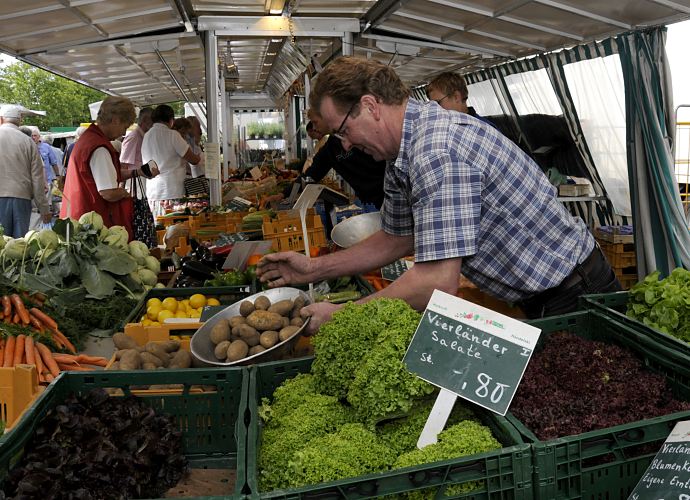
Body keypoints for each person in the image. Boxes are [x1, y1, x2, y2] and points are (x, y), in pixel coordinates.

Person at [257, 56, 621, 333]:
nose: (346, 145)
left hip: (575, 293)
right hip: (541, 294)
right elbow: (397, 237)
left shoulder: (435, 152)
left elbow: (436, 284)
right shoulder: (402, 154)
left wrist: (342, 314)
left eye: (343, 131)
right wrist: (314, 268)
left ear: (369, 106)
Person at [60, 96, 154, 239]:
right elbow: (108, 192)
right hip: (90, 226)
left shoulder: (88, 140)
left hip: (77, 216)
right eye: (124, 127)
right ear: (115, 120)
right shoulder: (99, 148)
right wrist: (124, 193)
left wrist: (137, 172)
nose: (123, 133)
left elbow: (108, 175)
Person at [302, 110, 387, 209]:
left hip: (389, 195)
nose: (314, 128)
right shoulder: (330, 149)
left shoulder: (359, 131)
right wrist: (285, 193)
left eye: (315, 122)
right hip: (368, 203)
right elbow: (312, 173)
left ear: (325, 116)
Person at [0, 105, 52, 237]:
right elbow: (37, 178)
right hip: (22, 198)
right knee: (19, 246)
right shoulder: (28, 142)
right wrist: (44, 209)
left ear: (1, 119)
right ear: (20, 121)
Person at [141, 105, 202, 216]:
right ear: (171, 120)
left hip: (152, 191)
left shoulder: (146, 136)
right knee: (173, 227)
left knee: (158, 227)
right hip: (171, 192)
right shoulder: (173, 135)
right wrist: (200, 156)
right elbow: (193, 160)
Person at [426, 72, 496, 128]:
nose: (435, 108)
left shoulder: (485, 129)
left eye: (438, 103)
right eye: (432, 105)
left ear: (456, 97)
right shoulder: (442, 126)